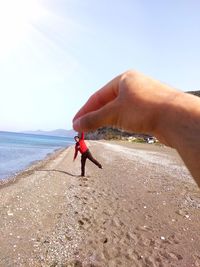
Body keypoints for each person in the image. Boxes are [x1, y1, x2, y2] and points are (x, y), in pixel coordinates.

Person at [73, 70, 200, 187]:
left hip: (87, 152)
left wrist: (81, 129)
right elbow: (75, 152)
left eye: (78, 138)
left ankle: (99, 165)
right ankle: (83, 174)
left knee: (93, 160)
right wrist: (74, 157)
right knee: (82, 163)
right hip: (82, 154)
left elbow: (83, 134)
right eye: (76, 139)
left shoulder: (82, 140)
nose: (77, 139)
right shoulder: (77, 146)